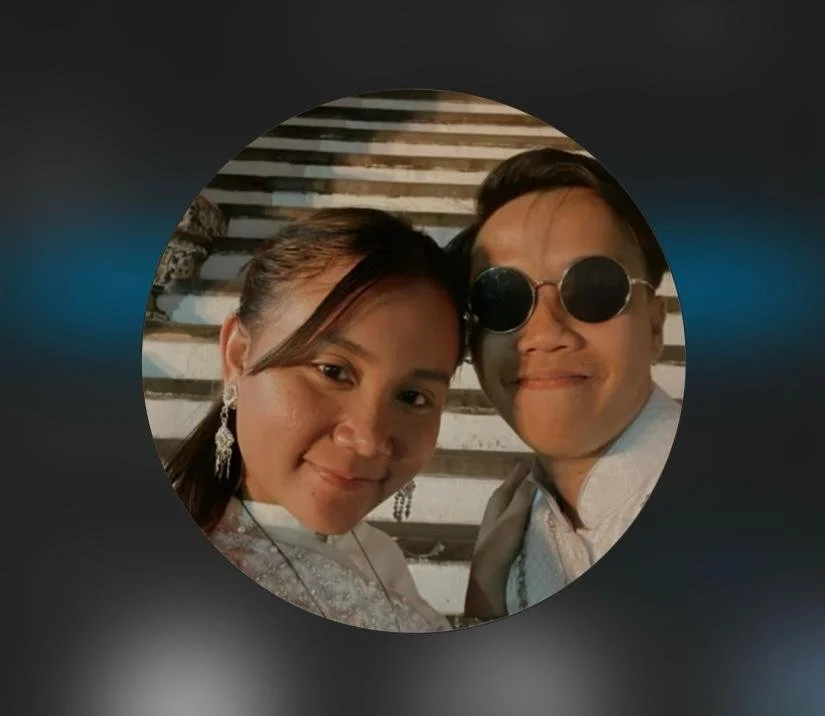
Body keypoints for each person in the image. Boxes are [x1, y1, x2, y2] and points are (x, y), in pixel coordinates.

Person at [163, 207, 466, 632]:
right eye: (333, 371)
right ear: (238, 354)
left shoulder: (378, 555)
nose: (368, 438)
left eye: (412, 397)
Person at [445, 148, 681, 618]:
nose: (544, 334)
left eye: (592, 288)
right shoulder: (514, 534)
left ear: (655, 326)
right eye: (500, 297)